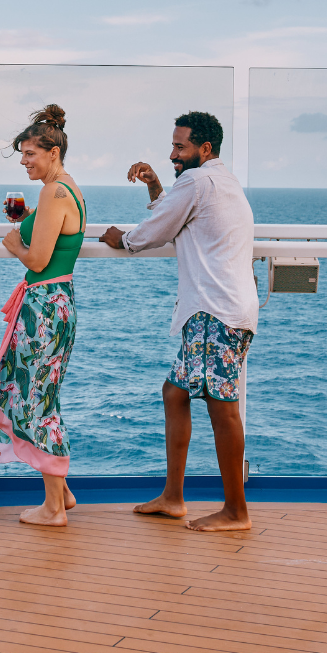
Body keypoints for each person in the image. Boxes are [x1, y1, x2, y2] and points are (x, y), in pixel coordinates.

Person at [99, 110, 258, 533]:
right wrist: (155, 186)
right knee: (175, 392)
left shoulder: (198, 181)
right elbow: (176, 214)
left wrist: (123, 240)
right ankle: (173, 497)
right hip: (224, 309)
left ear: (204, 149)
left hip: (214, 313)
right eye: (172, 145)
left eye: (180, 146)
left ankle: (236, 512)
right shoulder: (218, 181)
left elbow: (154, 230)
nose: (172, 153)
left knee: (223, 408)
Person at [0, 104, 85, 527]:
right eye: (22, 154)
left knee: (39, 400)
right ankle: (64, 492)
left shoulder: (53, 192)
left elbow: (38, 259)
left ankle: (54, 508)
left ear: (53, 152)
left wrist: (12, 245)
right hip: (54, 303)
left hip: (44, 305)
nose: (24, 161)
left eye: (30, 154)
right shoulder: (68, 188)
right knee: (37, 392)